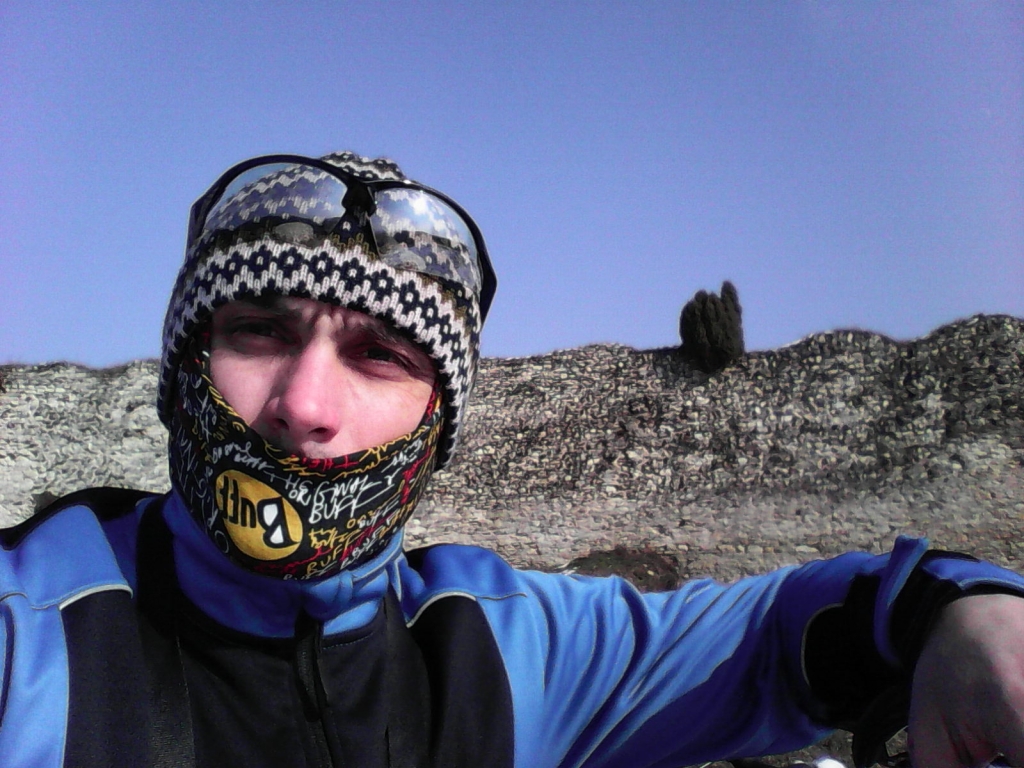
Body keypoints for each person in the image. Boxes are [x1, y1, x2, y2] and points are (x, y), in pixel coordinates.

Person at [1, 151, 1023, 768]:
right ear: (184, 365)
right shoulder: (31, 634)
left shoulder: (503, 649)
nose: (304, 405)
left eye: (380, 356)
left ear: (437, 426)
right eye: (260, 331)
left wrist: (950, 609)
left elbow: (767, 638)